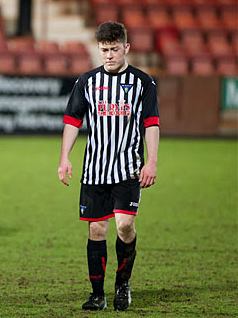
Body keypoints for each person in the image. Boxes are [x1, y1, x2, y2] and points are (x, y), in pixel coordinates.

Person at [58, 21, 160, 311]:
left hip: (128, 168)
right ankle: (97, 294)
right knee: (97, 231)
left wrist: (151, 161)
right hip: (94, 170)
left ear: (126, 47)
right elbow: (72, 121)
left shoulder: (143, 82)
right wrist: (65, 158)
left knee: (125, 226)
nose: (109, 55)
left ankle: (123, 282)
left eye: (115, 49)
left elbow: (151, 124)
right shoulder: (87, 81)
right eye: (104, 50)